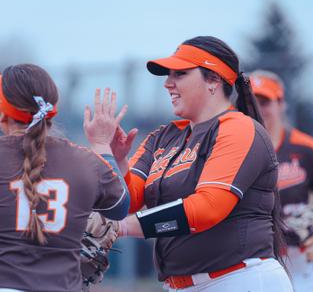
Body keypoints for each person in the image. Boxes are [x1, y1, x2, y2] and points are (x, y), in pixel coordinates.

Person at [87, 36, 293, 291]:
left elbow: (208, 207)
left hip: (238, 280)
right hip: (180, 285)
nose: (168, 84)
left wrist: (122, 227)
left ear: (214, 81)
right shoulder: (163, 137)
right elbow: (128, 201)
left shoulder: (239, 129)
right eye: (168, 75)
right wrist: (114, 158)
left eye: (180, 74)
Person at [0, 64, 130, 292]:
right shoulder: (86, 163)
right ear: (53, 111)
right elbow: (120, 208)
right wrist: (102, 145)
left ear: (2, 113)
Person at [249, 70, 313, 292]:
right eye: (252, 101)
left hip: (297, 254)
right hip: (252, 256)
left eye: (265, 102)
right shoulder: (237, 149)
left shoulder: (305, 147)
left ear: (281, 104)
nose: (258, 109)